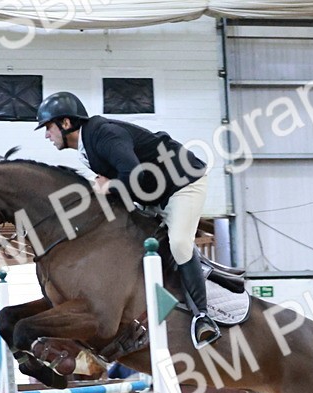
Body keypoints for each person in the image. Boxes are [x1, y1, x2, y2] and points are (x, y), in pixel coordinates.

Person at [36, 90, 221, 349]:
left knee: (179, 243)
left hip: (182, 185)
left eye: (47, 127)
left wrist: (108, 185)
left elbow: (135, 176)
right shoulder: (87, 148)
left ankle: (203, 317)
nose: (46, 135)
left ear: (66, 123)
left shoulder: (104, 134)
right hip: (154, 194)